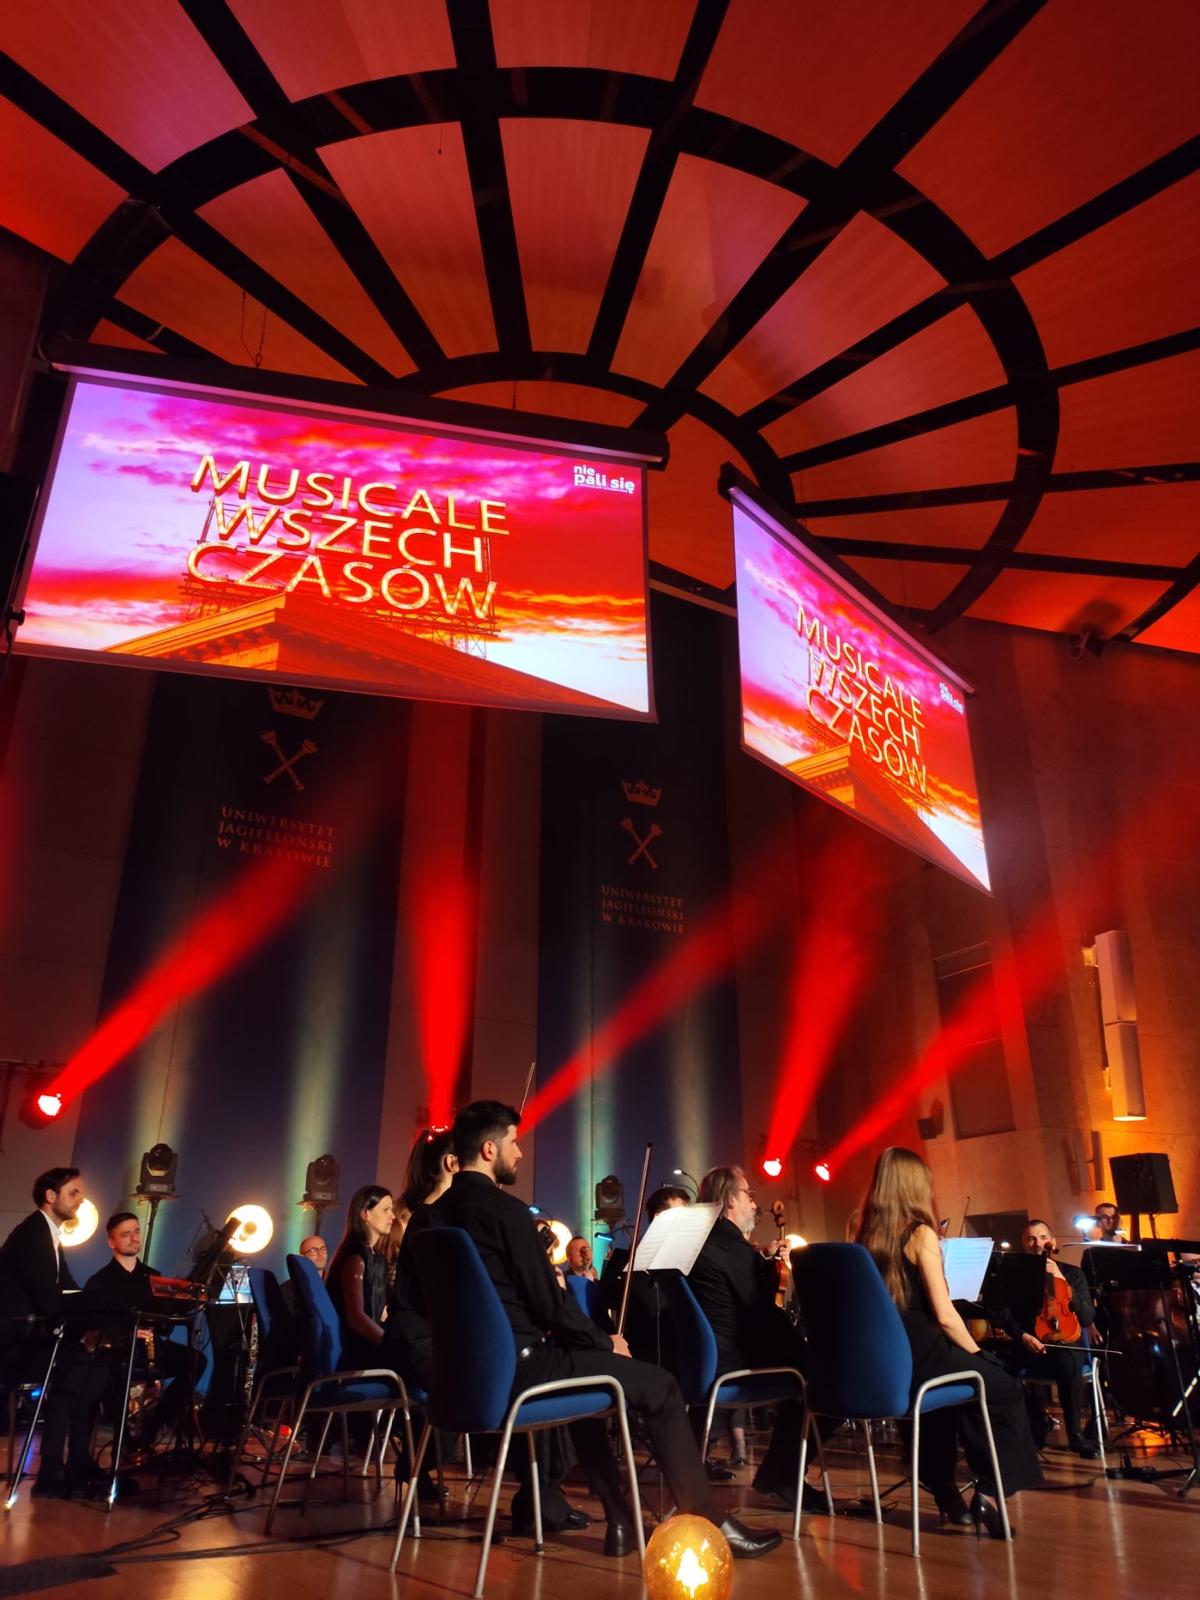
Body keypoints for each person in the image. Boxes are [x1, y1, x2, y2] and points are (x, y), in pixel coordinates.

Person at [421, 1100, 780, 1560]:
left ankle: (621, 1519)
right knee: (662, 1386)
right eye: (514, 1142)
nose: (520, 1152)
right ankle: (709, 1521)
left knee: (589, 1384)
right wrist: (605, 1342)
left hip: (459, 1383)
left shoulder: (428, 1219)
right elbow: (550, 1306)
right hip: (518, 1374)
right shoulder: (505, 1212)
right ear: (489, 1150)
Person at [856, 1148, 1042, 1537]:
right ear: (914, 1186)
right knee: (1004, 1387)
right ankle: (989, 1492)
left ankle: (945, 1490)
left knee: (960, 1393)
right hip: (924, 1353)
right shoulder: (920, 1233)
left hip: (888, 1362)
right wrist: (979, 1353)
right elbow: (944, 1314)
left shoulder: (863, 1233)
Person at [688, 1166, 827, 1510]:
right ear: (729, 1201)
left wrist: (761, 1263)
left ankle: (779, 1473)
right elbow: (758, 1311)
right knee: (828, 1377)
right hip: (733, 1361)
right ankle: (782, 1474)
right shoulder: (731, 1245)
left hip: (706, 1361)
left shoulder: (704, 1244)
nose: (754, 1203)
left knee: (807, 1367)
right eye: (748, 1194)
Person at [0, 1168, 106, 1498]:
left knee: (93, 1365)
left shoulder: (50, 1235)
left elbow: (69, 1290)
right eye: (74, 1192)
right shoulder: (32, 1235)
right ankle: (55, 1470)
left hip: (32, 1337)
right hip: (15, 1344)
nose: (81, 1199)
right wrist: (90, 1324)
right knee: (77, 1366)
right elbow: (50, 1299)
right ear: (50, 1196)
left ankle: (73, 1465)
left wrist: (97, 1320)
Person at [85, 1211, 198, 1449]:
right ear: (111, 1242)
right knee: (109, 1368)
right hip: (119, 1349)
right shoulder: (99, 1282)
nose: (134, 1237)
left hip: (152, 1347)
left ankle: (151, 1429)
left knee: (195, 1361)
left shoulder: (153, 1277)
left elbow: (165, 1327)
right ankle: (124, 1440)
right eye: (125, 1234)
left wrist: (173, 1306)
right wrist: (128, 1332)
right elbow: (95, 1326)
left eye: (136, 1231)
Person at [1000, 1219, 1098, 1459]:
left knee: (1067, 1362)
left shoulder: (1072, 1273)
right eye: (1031, 1239)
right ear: (1024, 1244)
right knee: (1000, 1369)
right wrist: (1022, 1336)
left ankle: (1075, 1434)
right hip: (1030, 1344)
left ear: (1052, 1242)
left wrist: (1062, 1280)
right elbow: (1006, 1314)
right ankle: (1038, 1420)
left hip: (1065, 1344)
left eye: (1043, 1237)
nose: (1037, 1243)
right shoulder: (1015, 1276)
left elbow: (1087, 1317)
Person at [325, 1184, 394, 1370]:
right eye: (386, 1209)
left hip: (367, 1346)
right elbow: (356, 1317)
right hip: (358, 1352)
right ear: (365, 1214)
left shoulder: (376, 1259)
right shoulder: (356, 1258)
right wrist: (391, 1346)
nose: (392, 1216)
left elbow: (380, 1312)